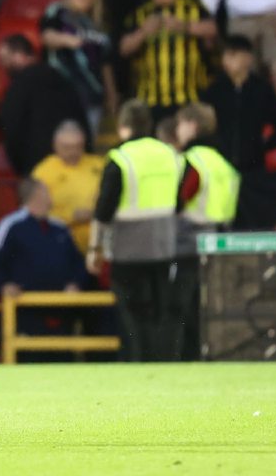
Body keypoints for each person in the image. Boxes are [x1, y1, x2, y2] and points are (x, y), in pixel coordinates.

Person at [86, 100, 186, 363]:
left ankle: (135, 365)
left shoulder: (120, 158)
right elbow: (179, 201)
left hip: (127, 251)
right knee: (159, 313)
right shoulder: (171, 156)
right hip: (164, 247)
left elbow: (103, 210)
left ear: (122, 127)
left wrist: (94, 249)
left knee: (131, 317)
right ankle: (161, 366)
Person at [171, 102, 238, 361]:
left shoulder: (193, 161)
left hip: (189, 242)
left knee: (186, 309)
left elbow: (180, 199)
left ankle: (187, 357)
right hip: (219, 242)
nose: (178, 130)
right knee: (211, 309)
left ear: (192, 126)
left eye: (180, 124)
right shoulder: (222, 163)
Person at [0, 178, 88, 342]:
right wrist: (3, 285)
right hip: (24, 309)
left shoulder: (60, 227)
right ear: (37, 195)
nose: (50, 196)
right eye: (47, 191)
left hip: (61, 308)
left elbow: (77, 262)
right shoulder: (10, 226)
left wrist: (75, 283)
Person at [120, 0, 216, 121]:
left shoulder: (194, 8)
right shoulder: (141, 14)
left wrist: (185, 27)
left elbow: (213, 30)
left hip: (190, 98)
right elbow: (124, 49)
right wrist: (143, 32)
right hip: (150, 100)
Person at [0, 34, 90, 176]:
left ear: (19, 55)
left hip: (35, 168)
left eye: (5, 59)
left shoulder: (18, 86)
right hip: (71, 165)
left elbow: (12, 128)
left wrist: (20, 166)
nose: (3, 65)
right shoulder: (60, 77)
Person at [200, 36, 276, 175]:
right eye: (225, 55)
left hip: (254, 167)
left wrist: (262, 147)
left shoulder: (262, 89)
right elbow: (203, 126)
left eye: (233, 55)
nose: (227, 60)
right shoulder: (214, 90)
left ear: (248, 58)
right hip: (220, 165)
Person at [40, 0, 115, 135]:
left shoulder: (100, 23)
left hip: (92, 96)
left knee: (88, 143)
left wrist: (112, 96)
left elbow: (106, 64)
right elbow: (46, 36)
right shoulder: (58, 11)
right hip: (62, 93)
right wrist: (67, 40)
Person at [30, 120, 106, 255]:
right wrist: (71, 216)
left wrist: (97, 212)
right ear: (55, 145)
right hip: (60, 245)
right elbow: (35, 211)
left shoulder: (99, 165)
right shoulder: (43, 172)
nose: (73, 152)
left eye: (78, 146)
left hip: (99, 245)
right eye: (67, 147)